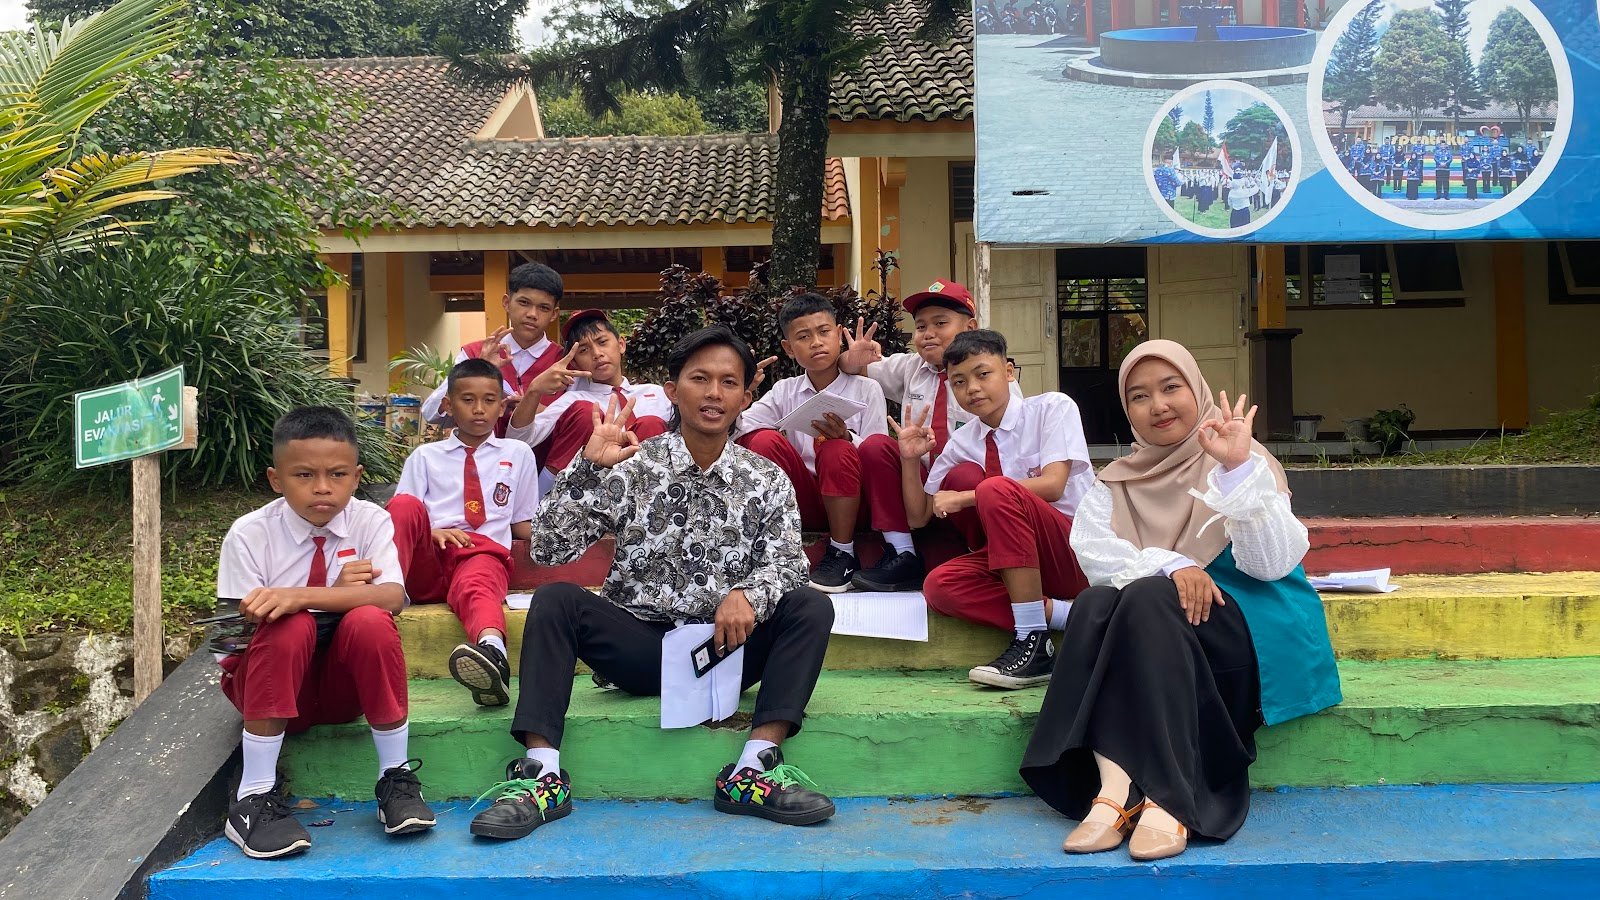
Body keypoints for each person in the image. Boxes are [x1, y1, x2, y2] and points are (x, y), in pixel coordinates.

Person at [468, 326, 837, 840]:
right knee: (556, 600)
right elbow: (550, 549)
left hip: (726, 648)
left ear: (746, 396)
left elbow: (788, 563)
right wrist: (587, 470)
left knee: (810, 606)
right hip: (639, 649)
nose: (713, 393)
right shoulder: (633, 463)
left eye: (728, 382)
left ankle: (754, 768)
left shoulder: (766, 477)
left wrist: (747, 593)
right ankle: (542, 774)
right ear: (671, 389)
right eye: (699, 379)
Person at [1019, 340, 1341, 862]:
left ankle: (1172, 795)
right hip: (1154, 643)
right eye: (1140, 397)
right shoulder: (1117, 482)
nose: (1159, 405)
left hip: (1247, 638)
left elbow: (1272, 563)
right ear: (1129, 414)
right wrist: (1174, 564)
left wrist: (1236, 471)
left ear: (1197, 391)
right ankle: (1116, 790)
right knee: (1103, 600)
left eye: (1172, 388)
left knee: (1144, 596)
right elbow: (1097, 558)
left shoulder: (1242, 459)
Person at [216, 406, 434, 859]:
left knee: (370, 620)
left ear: (356, 477)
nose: (322, 487)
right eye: (303, 475)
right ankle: (253, 796)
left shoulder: (369, 520)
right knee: (289, 625)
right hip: (268, 692)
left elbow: (391, 596)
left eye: (337, 474)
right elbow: (228, 645)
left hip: (341, 692)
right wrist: (319, 599)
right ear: (276, 479)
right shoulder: (249, 535)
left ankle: (395, 779)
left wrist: (298, 595)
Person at [895, 330, 1094, 689]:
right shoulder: (965, 439)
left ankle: (1033, 640)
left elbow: (1053, 484)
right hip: (1016, 565)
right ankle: (1071, 614)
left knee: (994, 489)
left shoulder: (1052, 408)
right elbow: (918, 516)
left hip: (1071, 549)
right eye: (958, 381)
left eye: (982, 373)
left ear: (1009, 372)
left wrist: (969, 496)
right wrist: (910, 460)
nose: (971, 388)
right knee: (940, 586)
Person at [838, 280, 1017, 593]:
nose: (928, 333)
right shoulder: (912, 367)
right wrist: (851, 359)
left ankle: (982, 553)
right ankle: (902, 551)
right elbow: (853, 367)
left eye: (940, 323)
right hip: (917, 488)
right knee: (876, 446)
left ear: (970, 327)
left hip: (968, 491)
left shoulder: (994, 382)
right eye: (920, 326)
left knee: (967, 471)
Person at [390, 358, 543, 707]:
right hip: (426, 561)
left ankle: (492, 654)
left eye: (489, 400)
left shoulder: (517, 454)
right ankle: (385, 596)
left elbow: (521, 521)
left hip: (480, 554)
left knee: (479, 581)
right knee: (402, 506)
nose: (479, 409)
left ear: (501, 406)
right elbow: (404, 521)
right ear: (448, 404)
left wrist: (572, 533)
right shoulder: (425, 457)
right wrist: (431, 532)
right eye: (467, 399)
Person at [736, 293, 889, 592]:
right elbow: (739, 430)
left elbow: (877, 454)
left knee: (836, 447)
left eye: (823, 332)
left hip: (855, 501)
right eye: (803, 337)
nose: (816, 342)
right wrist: (738, 394)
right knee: (763, 439)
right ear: (789, 349)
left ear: (839, 335)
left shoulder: (867, 389)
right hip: (803, 500)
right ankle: (774, 536)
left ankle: (842, 553)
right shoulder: (785, 391)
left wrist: (847, 438)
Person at [505, 309, 672, 477]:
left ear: (621, 344)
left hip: (651, 488)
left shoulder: (657, 393)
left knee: (651, 424)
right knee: (584, 412)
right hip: (589, 489)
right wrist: (534, 390)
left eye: (602, 342)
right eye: (584, 350)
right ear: (575, 364)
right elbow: (519, 440)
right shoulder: (574, 401)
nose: (597, 354)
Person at [420, 262, 573, 433]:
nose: (532, 314)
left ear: (554, 314)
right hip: (479, 458)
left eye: (543, 308)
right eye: (524, 302)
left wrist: (533, 407)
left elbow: (575, 425)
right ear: (507, 303)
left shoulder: (565, 362)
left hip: (542, 460)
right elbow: (431, 413)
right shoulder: (474, 353)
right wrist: (477, 369)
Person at [1223, 164, 1255, 228]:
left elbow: (1230, 204)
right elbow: (1255, 190)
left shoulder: (1231, 193)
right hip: (1244, 212)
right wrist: (1254, 183)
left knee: (1235, 229)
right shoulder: (1245, 191)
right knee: (1245, 229)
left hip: (1235, 212)